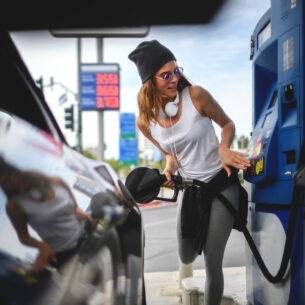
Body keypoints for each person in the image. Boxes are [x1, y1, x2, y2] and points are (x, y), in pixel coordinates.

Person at [128, 40, 251, 305]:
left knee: (212, 261)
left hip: (222, 184)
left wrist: (224, 148)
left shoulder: (196, 95)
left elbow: (228, 124)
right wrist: (170, 166)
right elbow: (170, 152)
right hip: (191, 190)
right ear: (150, 81)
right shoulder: (145, 121)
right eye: (166, 75)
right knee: (185, 254)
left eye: (176, 70)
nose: (175, 78)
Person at [0, 157, 95, 273]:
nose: (9, 186)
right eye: (3, 185)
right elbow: (24, 237)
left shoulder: (56, 182)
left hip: (88, 238)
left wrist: (87, 216)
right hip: (65, 256)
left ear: (15, 173)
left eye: (8, 180)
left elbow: (75, 210)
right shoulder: (14, 205)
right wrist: (41, 246)